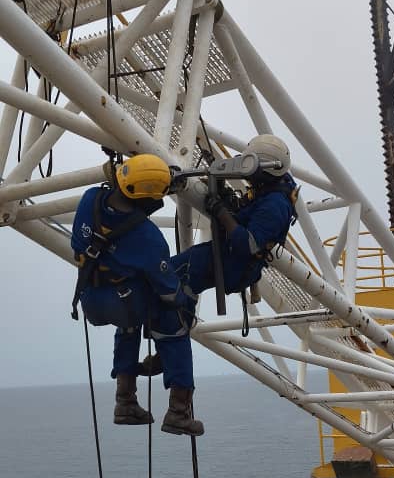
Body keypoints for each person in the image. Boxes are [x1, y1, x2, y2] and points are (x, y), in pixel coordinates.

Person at [139, 134, 297, 376]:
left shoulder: (275, 204)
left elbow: (247, 244)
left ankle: (169, 349)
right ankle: (171, 347)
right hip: (229, 257)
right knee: (181, 287)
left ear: (266, 168)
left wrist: (221, 212)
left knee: (168, 276)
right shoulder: (269, 190)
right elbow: (247, 217)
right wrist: (228, 203)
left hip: (235, 264)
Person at [71, 154, 203, 436]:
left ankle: (125, 401)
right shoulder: (148, 237)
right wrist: (185, 301)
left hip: (91, 300)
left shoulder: (90, 199)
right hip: (124, 302)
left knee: (129, 322)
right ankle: (178, 411)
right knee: (175, 320)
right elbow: (169, 290)